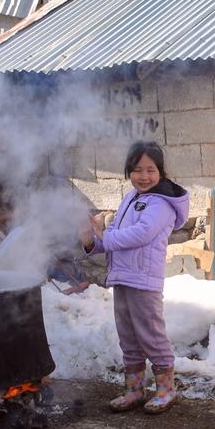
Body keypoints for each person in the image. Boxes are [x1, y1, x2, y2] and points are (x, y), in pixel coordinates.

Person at [80, 141, 189, 414]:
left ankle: (166, 390)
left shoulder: (161, 203)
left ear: (160, 172)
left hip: (144, 279)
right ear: (129, 171)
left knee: (151, 335)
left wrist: (106, 235)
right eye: (137, 170)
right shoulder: (130, 198)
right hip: (123, 277)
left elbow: (142, 234)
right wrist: (91, 241)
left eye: (151, 170)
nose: (144, 176)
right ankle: (134, 390)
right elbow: (115, 234)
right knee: (128, 336)